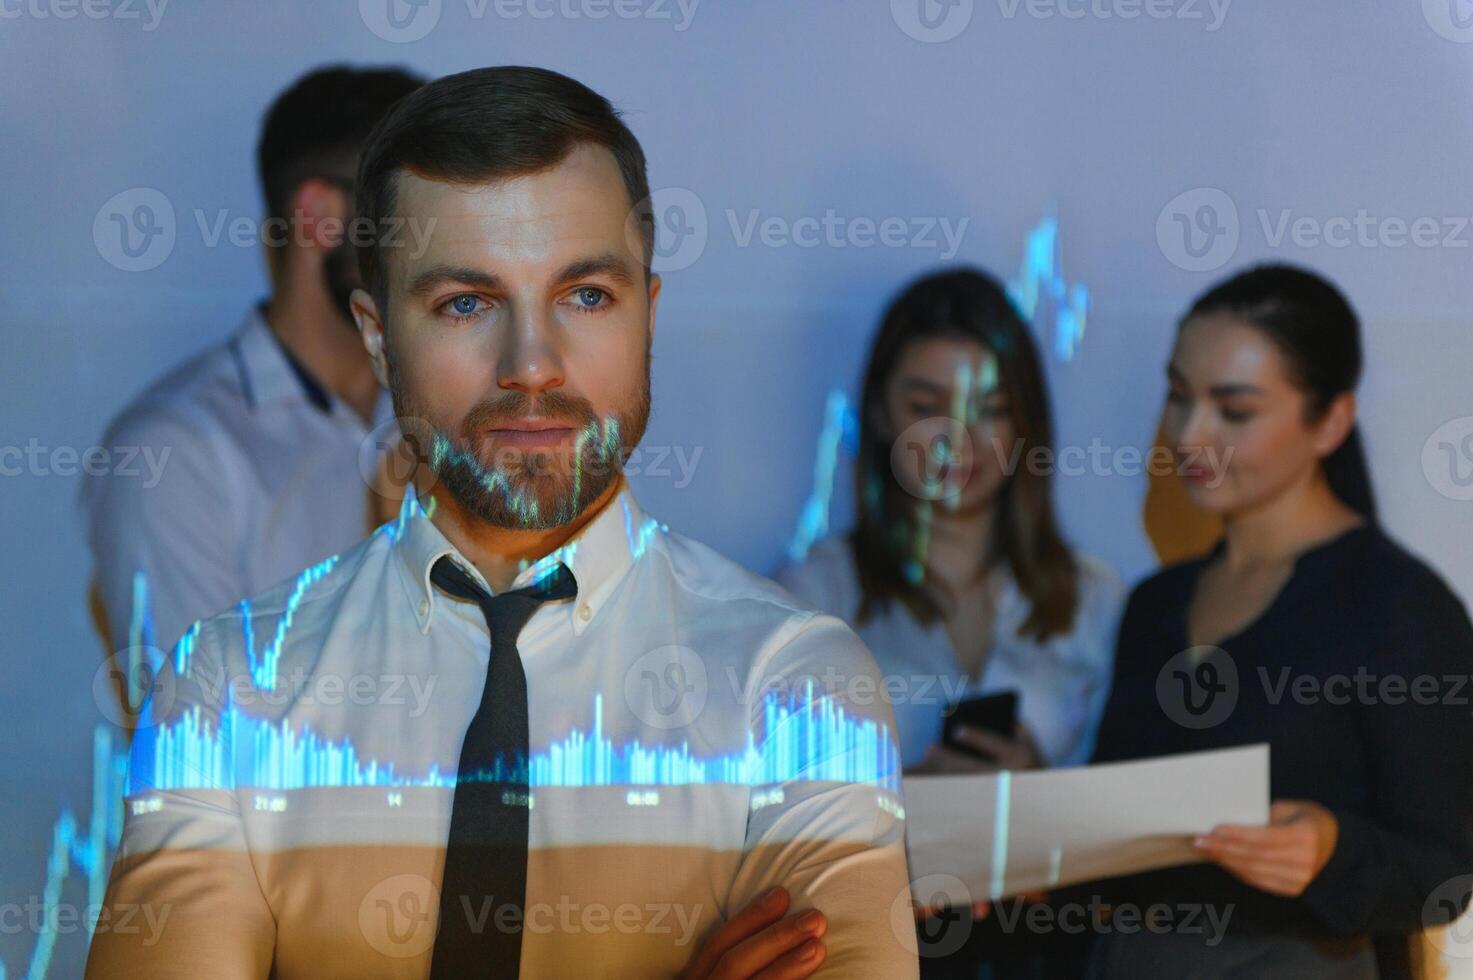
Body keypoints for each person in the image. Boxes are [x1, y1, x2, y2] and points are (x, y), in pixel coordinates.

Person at [86, 66, 917, 979]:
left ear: (649, 312)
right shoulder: (224, 688)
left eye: (587, 295)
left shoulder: (796, 687)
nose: (531, 364)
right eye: (466, 305)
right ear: (374, 332)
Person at [1087, 264, 1473, 978]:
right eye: (1177, 397)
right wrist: (1024, 814)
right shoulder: (1153, 605)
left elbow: (1442, 868)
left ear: (1329, 421)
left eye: (1232, 411)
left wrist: (1332, 850)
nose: (1189, 435)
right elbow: (1119, 841)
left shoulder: (1397, 607)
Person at [778, 268, 1125, 976]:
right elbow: (764, 817)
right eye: (925, 402)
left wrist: (1038, 791)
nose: (956, 439)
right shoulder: (812, 594)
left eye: (989, 407)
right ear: (879, 413)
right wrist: (901, 805)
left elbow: (1130, 826)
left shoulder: (1096, 600)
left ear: (1024, 420)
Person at [83, 65, 424, 671]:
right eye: (420, 215)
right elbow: (196, 729)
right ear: (321, 216)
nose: (456, 249)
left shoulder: (451, 416)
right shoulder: (171, 454)